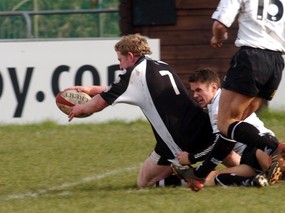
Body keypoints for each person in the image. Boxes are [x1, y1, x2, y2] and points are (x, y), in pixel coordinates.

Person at [172, 0, 285, 191]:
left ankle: (273, 147)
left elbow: (219, 25)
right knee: (236, 124)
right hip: (276, 63)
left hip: (251, 57)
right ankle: (200, 174)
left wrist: (217, 37)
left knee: (225, 123)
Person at [65, 34, 229, 188]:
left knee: (146, 183)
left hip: (177, 137)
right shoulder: (161, 64)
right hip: (198, 123)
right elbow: (112, 90)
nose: (120, 66)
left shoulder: (134, 74)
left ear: (130, 56)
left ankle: (215, 178)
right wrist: (89, 89)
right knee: (231, 157)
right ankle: (241, 175)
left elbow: (99, 104)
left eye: (120, 60)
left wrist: (81, 108)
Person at [165, 68, 285, 188]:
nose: (195, 95)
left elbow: (221, 143)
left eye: (199, 90)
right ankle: (254, 181)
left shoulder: (220, 106)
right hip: (246, 158)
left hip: (260, 145)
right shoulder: (214, 106)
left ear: (214, 87)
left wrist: (192, 158)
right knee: (210, 178)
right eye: (192, 91)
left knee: (267, 163)